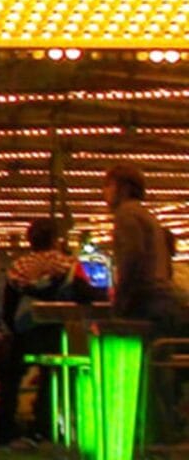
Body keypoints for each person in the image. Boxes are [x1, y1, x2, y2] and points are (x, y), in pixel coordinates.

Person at [0, 218, 103, 449]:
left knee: (11, 379)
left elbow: (8, 306)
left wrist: (11, 329)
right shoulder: (68, 265)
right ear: (55, 240)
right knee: (52, 377)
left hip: (25, 331)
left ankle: (5, 429)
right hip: (58, 330)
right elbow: (88, 295)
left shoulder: (18, 268)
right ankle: (42, 427)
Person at [104, 164, 184, 445]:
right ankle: (163, 435)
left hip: (147, 304)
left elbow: (132, 259)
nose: (105, 193)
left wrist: (121, 302)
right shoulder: (148, 215)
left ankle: (153, 438)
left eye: (109, 185)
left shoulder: (127, 215)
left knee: (147, 374)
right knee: (160, 375)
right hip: (165, 303)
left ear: (123, 187)